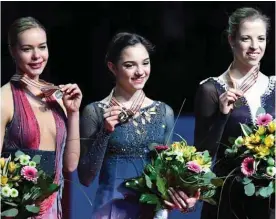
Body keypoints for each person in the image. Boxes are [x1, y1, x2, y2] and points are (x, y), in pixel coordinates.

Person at [78, 32, 199, 219]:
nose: (140, 71)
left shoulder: (163, 112)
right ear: (112, 67)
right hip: (111, 210)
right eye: (129, 65)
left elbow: (166, 172)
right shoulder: (95, 112)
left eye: (145, 62)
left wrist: (186, 198)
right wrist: (105, 132)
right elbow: (85, 178)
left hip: (152, 211)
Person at [194, 7, 275, 219]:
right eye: (246, 39)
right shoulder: (211, 89)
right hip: (228, 201)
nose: (255, 46)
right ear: (231, 40)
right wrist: (222, 116)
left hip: (269, 202)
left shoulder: (275, 86)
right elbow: (201, 155)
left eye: (261, 38)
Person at [1, 17, 82, 219]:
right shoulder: (4, 100)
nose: (37, 56)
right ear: (13, 51)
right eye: (27, 49)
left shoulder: (58, 97)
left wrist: (73, 113)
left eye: (42, 47)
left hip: (53, 210)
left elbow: (70, 165)